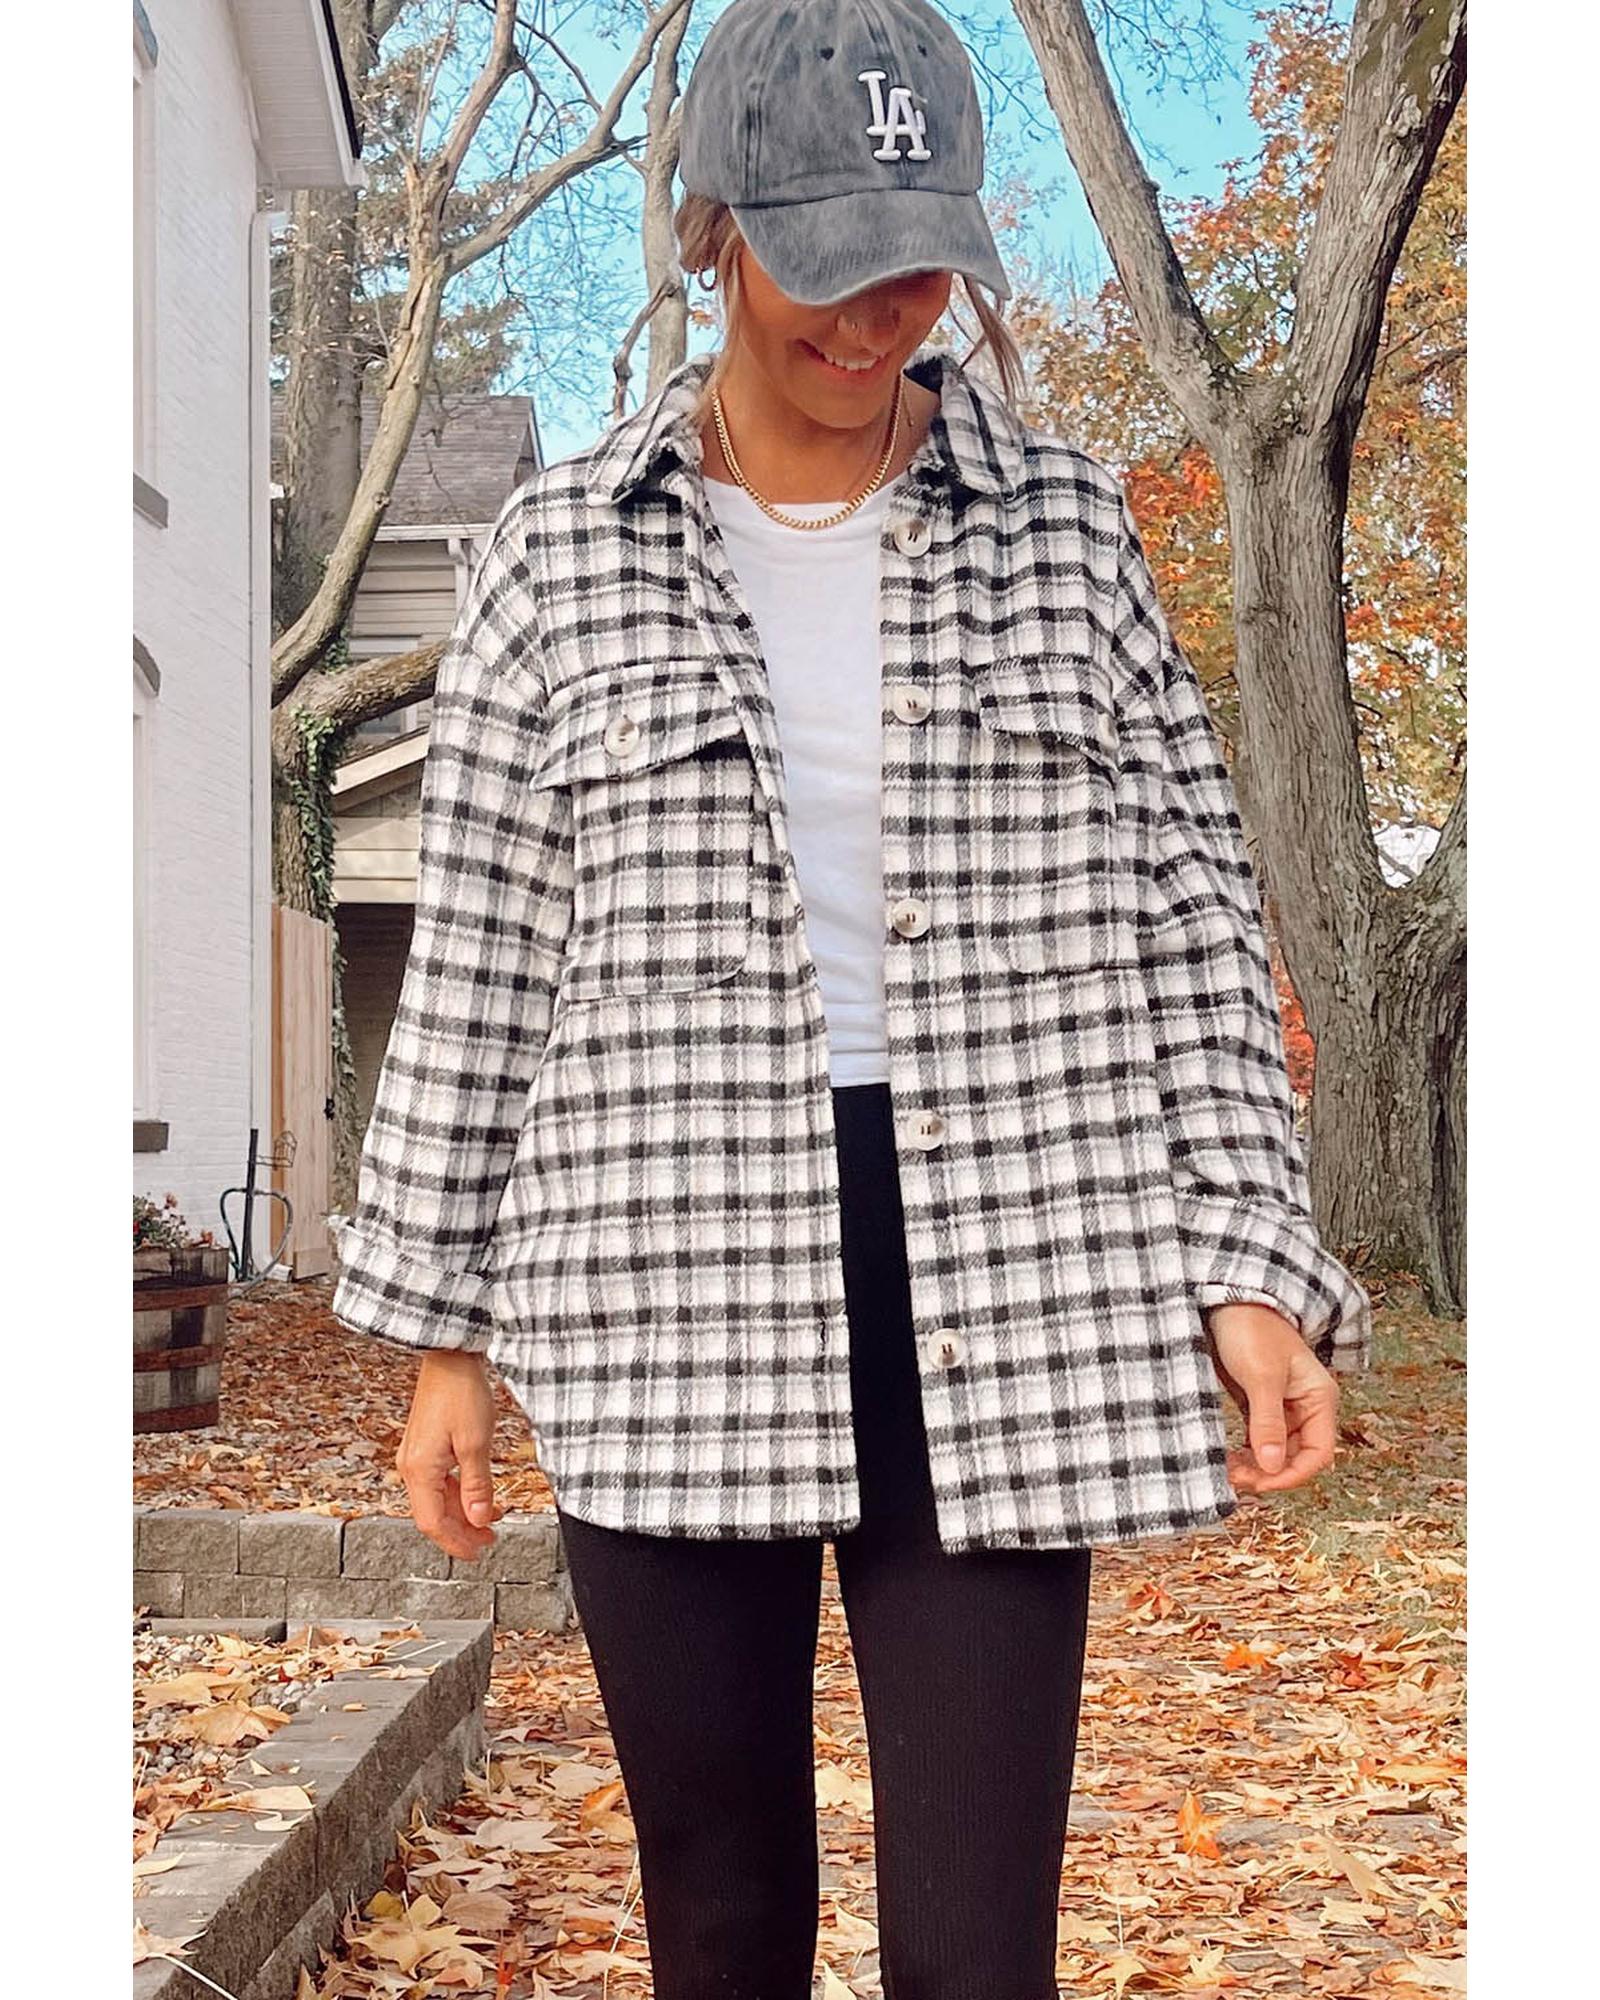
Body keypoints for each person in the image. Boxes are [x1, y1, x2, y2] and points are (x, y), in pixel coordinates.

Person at [329, 1, 1372, 1993]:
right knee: (721, 1921)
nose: (880, 312)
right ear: (714, 225)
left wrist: (1252, 1265)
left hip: (1009, 1269)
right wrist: (441, 1338)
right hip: (663, 1277)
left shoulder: (1066, 535)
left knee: (976, 1952)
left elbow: (1192, 924)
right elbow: (480, 958)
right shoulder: (557, 556)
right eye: (829, 257)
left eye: (920, 258)